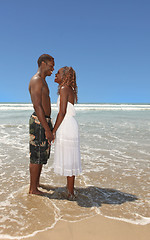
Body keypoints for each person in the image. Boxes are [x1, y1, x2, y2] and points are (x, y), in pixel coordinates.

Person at [53, 66, 82, 200]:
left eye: (58, 73)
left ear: (64, 76)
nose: (55, 75)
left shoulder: (64, 89)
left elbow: (62, 112)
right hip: (70, 125)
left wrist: (53, 130)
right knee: (71, 158)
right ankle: (70, 190)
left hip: (66, 125)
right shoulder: (69, 89)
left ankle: (70, 193)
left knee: (69, 159)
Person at [28, 54, 54, 195]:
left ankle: (36, 184)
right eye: (51, 65)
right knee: (36, 155)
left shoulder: (43, 81)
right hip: (39, 121)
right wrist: (46, 128)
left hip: (43, 121)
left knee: (41, 155)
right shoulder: (37, 80)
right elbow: (37, 106)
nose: (53, 68)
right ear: (43, 63)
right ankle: (33, 189)